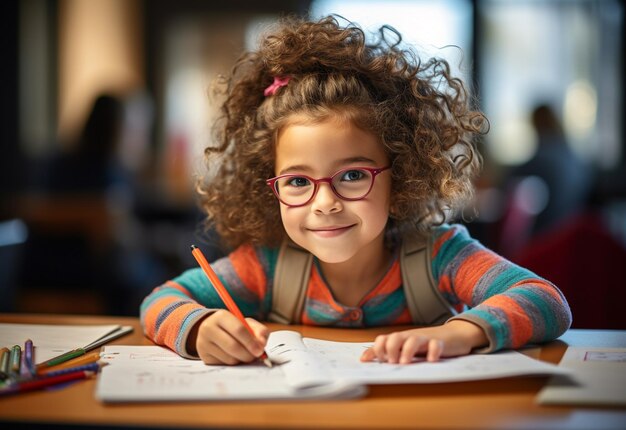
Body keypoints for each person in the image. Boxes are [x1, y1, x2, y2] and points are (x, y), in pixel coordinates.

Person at [141, 16, 571, 366]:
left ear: (399, 175)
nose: (325, 203)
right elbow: (160, 301)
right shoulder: (264, 267)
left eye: (351, 176)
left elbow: (545, 300)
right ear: (270, 188)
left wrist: (461, 333)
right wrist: (197, 329)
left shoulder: (440, 255)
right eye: (296, 181)